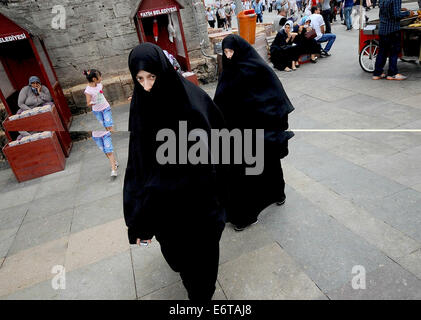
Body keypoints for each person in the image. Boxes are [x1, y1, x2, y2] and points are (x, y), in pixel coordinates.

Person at [124, 43, 226, 301]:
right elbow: (137, 161)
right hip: (164, 207)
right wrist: (137, 214)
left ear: (163, 71)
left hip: (198, 201)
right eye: (139, 79)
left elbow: (220, 139)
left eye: (152, 77)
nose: (146, 86)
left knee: (201, 267)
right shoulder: (140, 105)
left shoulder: (190, 99)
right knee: (178, 257)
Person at [214, 35, 294, 231]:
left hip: (262, 132)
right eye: (225, 53)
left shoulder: (258, 69)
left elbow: (276, 99)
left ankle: (273, 197)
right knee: (245, 174)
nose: (229, 56)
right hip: (239, 134)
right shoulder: (228, 74)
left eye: (232, 51)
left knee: (267, 165)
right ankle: (247, 213)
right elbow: (220, 104)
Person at [84, 69, 118, 177]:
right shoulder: (88, 90)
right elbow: (88, 103)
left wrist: (101, 97)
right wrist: (94, 101)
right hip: (97, 112)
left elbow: (101, 92)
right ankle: (114, 161)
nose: (101, 78)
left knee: (109, 125)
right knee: (105, 150)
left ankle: (113, 168)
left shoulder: (99, 85)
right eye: (100, 77)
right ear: (94, 79)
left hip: (105, 108)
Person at [372, 0, 414, 80]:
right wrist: (408, 13)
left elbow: (383, 12)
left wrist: (400, 9)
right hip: (392, 29)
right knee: (394, 52)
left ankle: (377, 73)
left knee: (382, 52)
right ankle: (392, 73)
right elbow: (396, 15)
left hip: (383, 29)